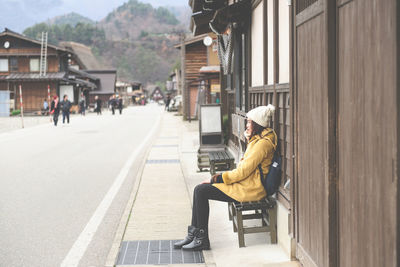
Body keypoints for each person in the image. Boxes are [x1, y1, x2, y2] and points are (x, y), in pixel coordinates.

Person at [174, 105, 277, 251]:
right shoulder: (258, 140)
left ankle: (201, 239)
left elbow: (241, 172)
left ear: (257, 124)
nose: (246, 125)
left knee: (202, 191)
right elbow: (243, 172)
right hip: (245, 184)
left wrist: (215, 179)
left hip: (251, 189)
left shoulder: (262, 144)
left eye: (249, 122)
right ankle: (194, 235)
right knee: (199, 189)